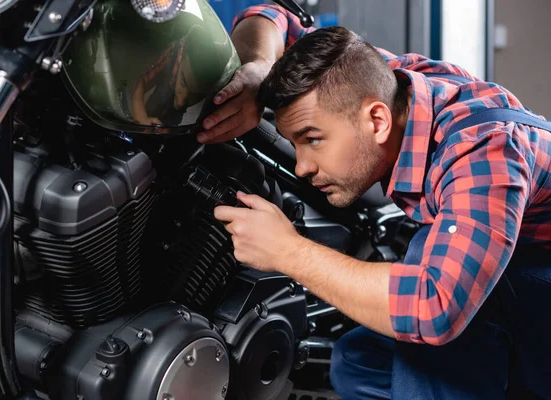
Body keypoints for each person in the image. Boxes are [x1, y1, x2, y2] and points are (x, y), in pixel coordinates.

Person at [201, 4, 551, 400]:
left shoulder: (484, 151)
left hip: (538, 276)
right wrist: (261, 67)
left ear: (377, 121)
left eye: (312, 138)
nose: (301, 166)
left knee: (429, 302)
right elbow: (274, 13)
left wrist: (288, 251)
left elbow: (433, 306)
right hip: (516, 270)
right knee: (358, 360)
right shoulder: (371, 80)